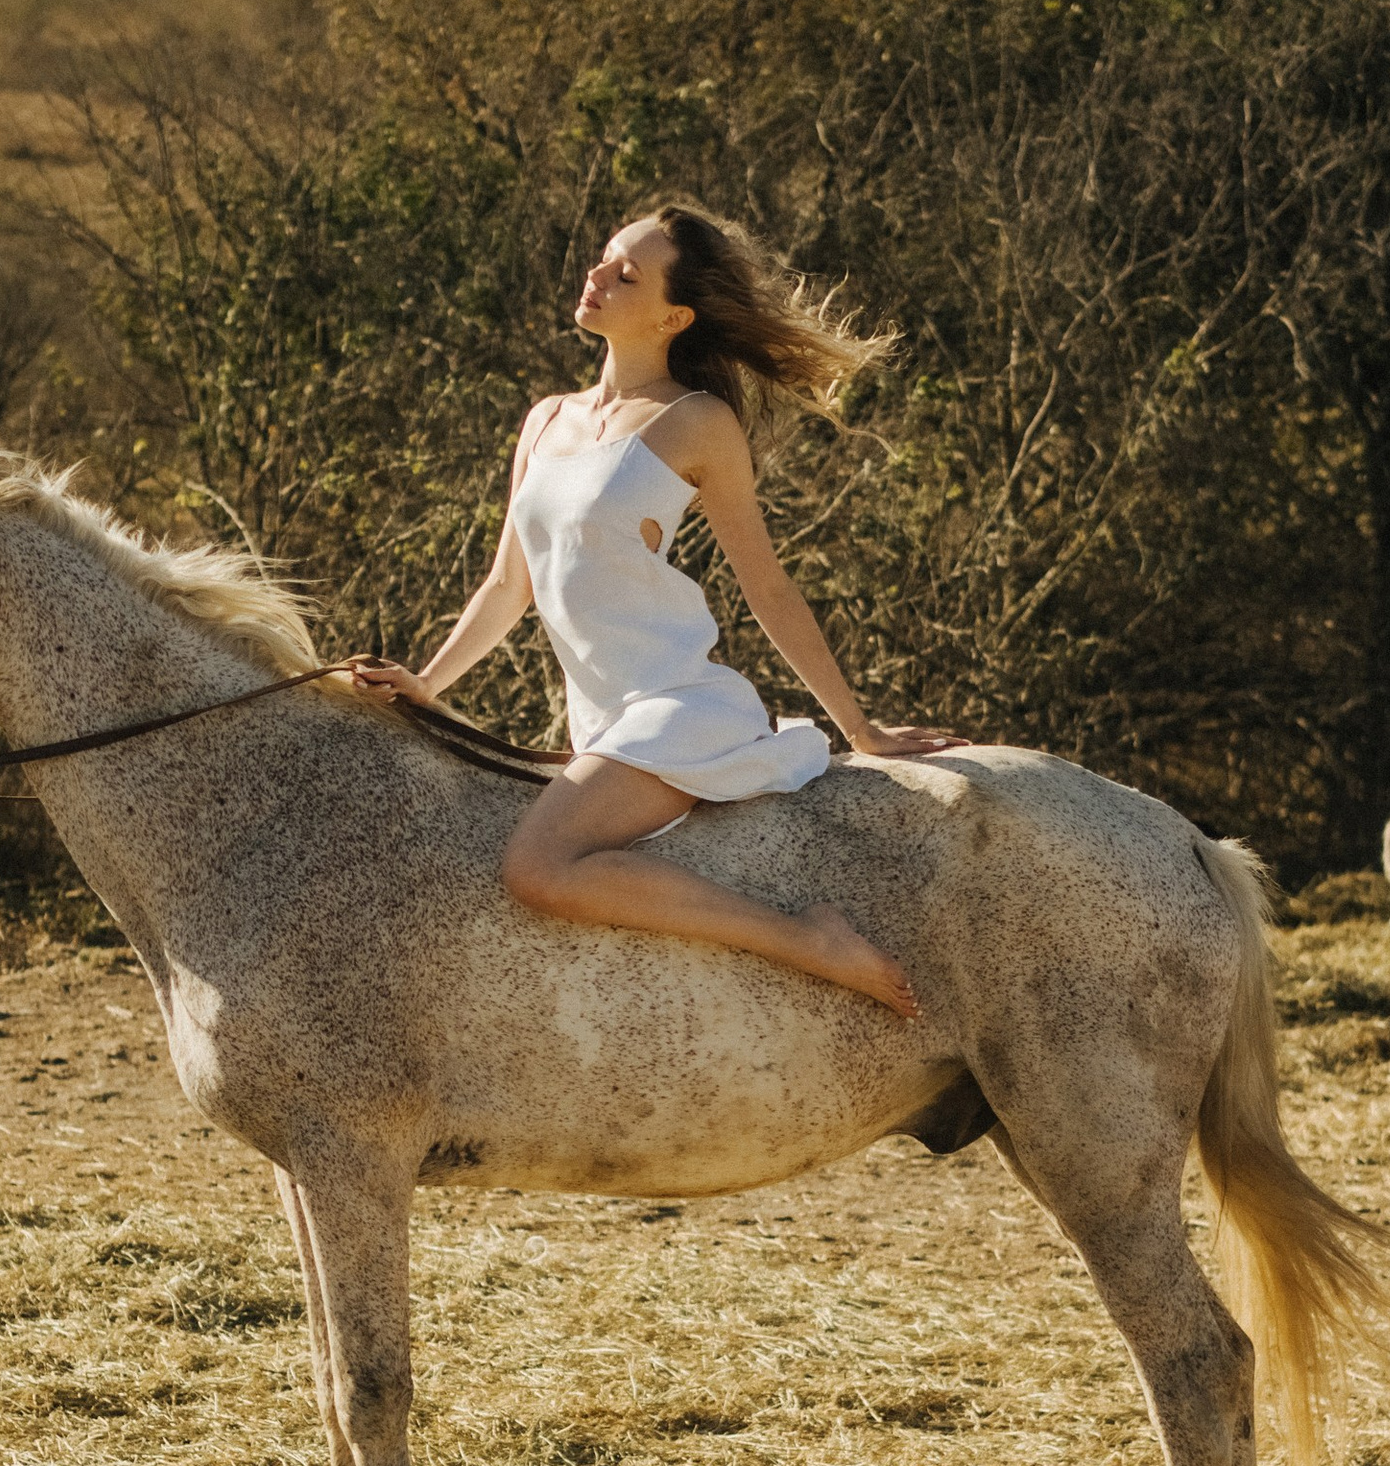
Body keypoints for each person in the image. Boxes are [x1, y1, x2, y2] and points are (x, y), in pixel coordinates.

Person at [350, 205, 962, 1018]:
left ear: (674, 317)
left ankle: (811, 941)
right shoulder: (546, 420)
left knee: (536, 868)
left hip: (678, 707)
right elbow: (507, 586)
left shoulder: (697, 422)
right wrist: (428, 683)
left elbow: (769, 589)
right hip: (602, 722)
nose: (597, 275)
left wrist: (861, 730)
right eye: (604, 259)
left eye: (626, 274)